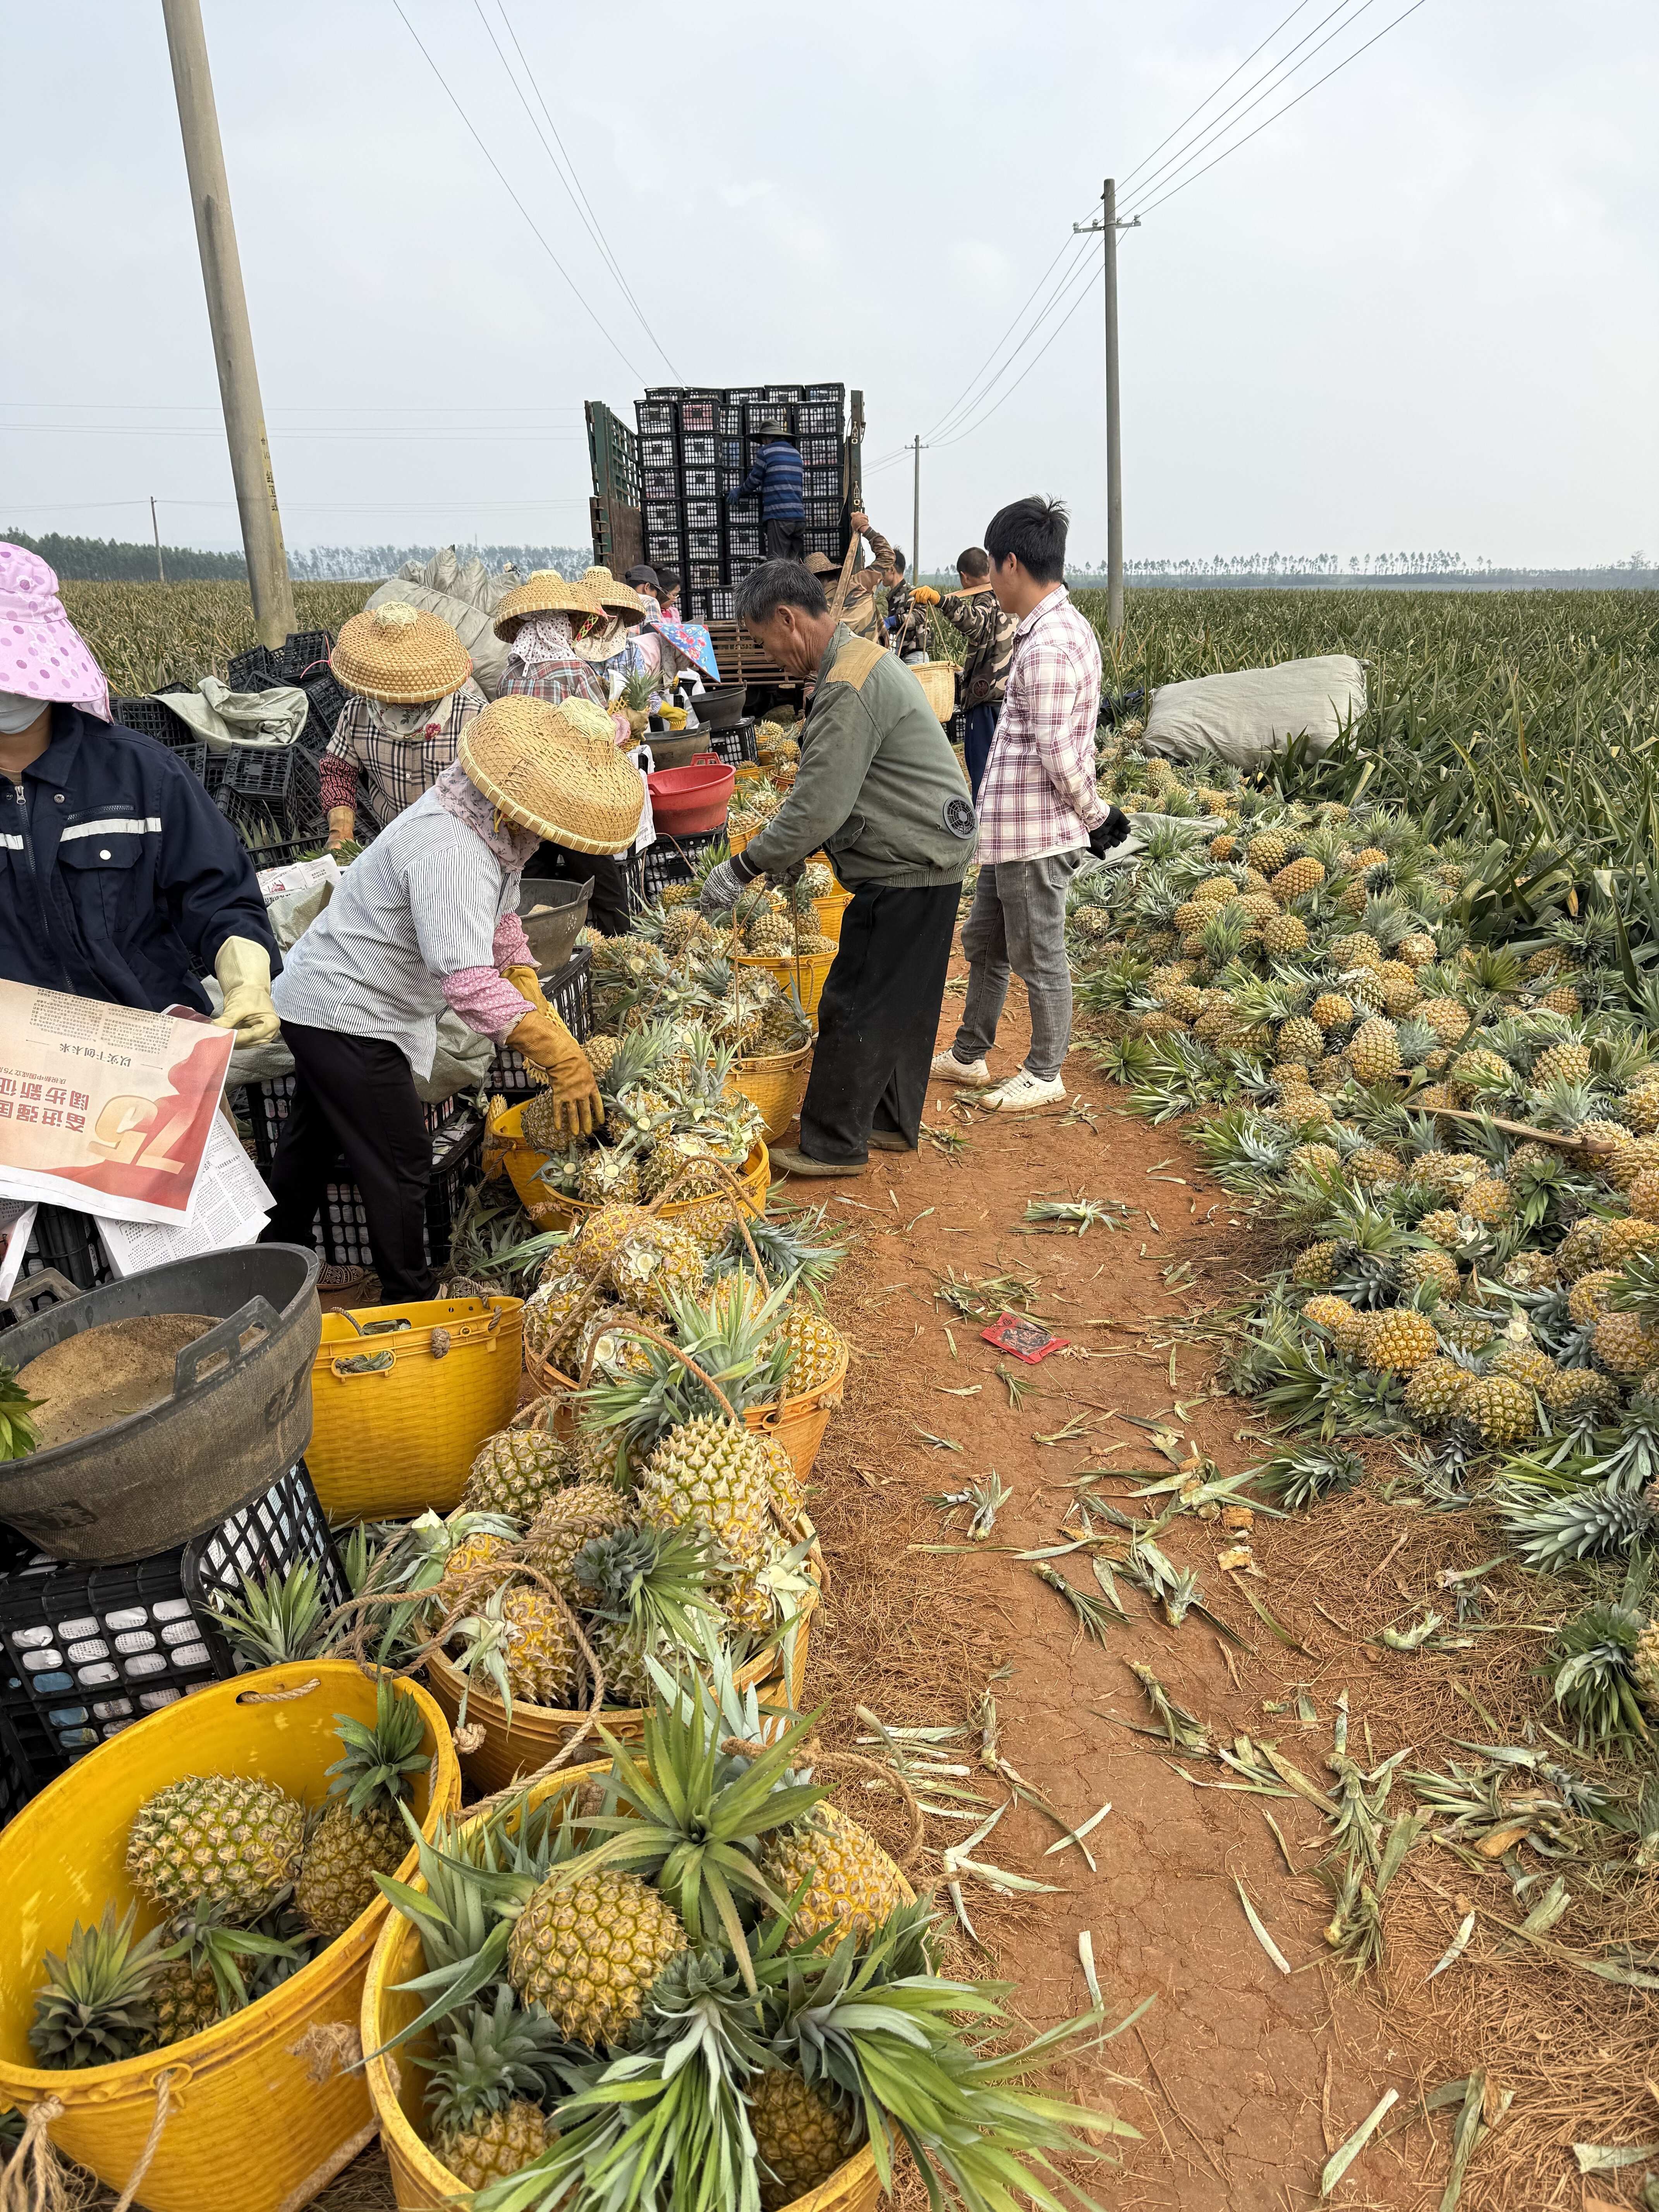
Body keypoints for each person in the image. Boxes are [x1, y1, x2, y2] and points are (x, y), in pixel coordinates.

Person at [264, 695, 641, 1300]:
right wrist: (560, 1055)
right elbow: (465, 982)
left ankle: (273, 1265)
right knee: (400, 1160)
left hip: (326, 999)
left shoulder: (481, 818)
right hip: (349, 1012)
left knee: (310, 1145)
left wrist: (525, 982)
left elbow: (498, 923)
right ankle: (408, 1298)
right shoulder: (454, 851)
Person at [698, 560, 977, 1176]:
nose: (767, 654)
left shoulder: (848, 684)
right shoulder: (857, 662)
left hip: (909, 860)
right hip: (931, 850)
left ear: (786, 619)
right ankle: (888, 1123)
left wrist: (744, 867)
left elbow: (817, 804)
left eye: (760, 639)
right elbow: (843, 793)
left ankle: (832, 1144)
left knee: (854, 1000)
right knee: (903, 1004)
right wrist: (797, 852)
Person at [0, 541, 278, 1041]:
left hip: (149, 1045)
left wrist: (247, 981)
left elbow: (219, 894)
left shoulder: (140, 774)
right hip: (20, 1066)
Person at [931, 497, 1127, 1113]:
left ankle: (1046, 1072)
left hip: (1036, 837)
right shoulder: (1047, 630)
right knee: (985, 943)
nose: (988, 581)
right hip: (1010, 834)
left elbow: (1060, 755)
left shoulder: (1047, 646)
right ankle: (970, 1054)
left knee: (1040, 955)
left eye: (990, 567)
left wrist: (1096, 817)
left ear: (1010, 564)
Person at [493, 569, 634, 936]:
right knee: (600, 879)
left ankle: (536, 946)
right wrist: (623, 725)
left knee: (532, 875)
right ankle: (620, 944)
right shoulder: (575, 671)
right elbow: (599, 732)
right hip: (571, 794)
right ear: (562, 630)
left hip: (523, 794)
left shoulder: (509, 677)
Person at [320, 601, 484, 850]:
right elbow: (338, 770)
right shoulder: (358, 713)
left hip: (457, 847)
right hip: (388, 838)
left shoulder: (474, 719)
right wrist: (340, 830)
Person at [915, 546, 1017, 798]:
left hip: (986, 699)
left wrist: (941, 601)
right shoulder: (1009, 597)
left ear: (965, 577)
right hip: (1011, 696)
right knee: (1005, 769)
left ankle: (982, 829)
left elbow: (975, 623)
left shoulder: (985, 599)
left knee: (982, 772)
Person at [802, 509, 900, 645]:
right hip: (875, 659)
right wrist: (865, 528)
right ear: (834, 573)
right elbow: (888, 556)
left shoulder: (814, 610)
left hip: (843, 664)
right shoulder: (859, 583)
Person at [733, 419, 805, 562]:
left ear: (767, 437)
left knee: (778, 565)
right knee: (798, 566)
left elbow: (754, 480)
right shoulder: (796, 454)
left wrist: (739, 491)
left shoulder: (766, 452)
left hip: (780, 517)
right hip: (799, 518)